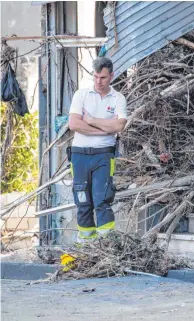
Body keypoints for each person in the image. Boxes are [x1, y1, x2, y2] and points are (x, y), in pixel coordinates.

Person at [68, 57, 127, 243]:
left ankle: (106, 245)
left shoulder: (118, 98)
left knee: (102, 200)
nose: (98, 82)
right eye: (95, 77)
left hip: (103, 156)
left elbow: (118, 126)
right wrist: (103, 130)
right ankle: (85, 245)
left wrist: (92, 120)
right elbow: (74, 124)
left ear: (111, 76)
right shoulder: (81, 95)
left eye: (102, 77)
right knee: (83, 201)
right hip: (79, 155)